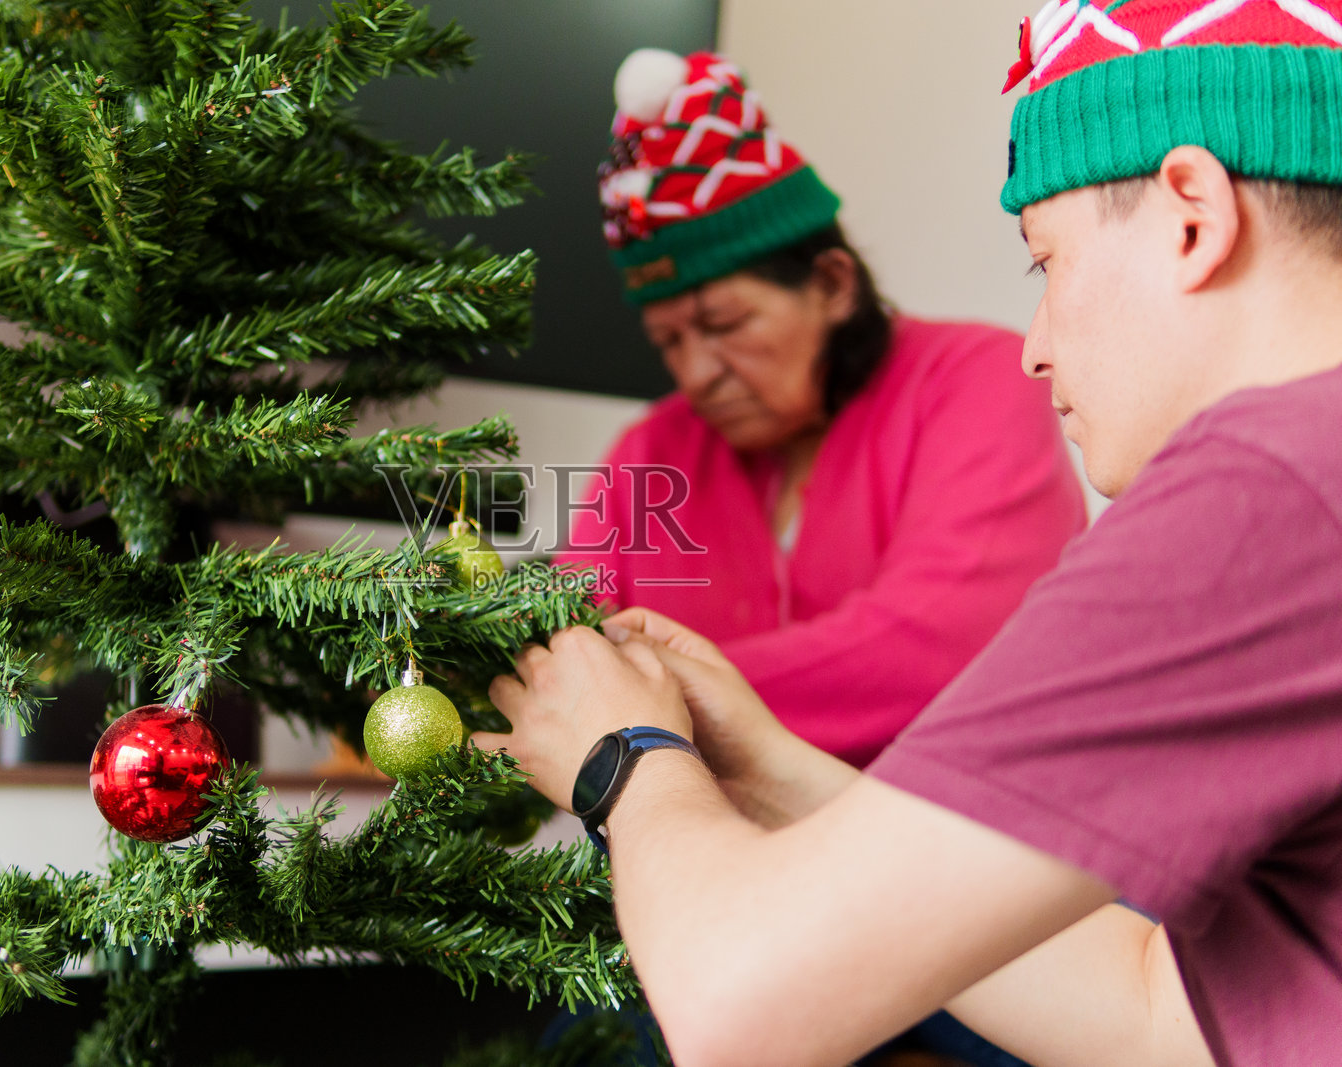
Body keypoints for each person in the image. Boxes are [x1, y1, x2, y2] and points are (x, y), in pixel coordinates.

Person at [480, 2, 1342, 1064]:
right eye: (670, 339)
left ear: (1189, 215)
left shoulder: (1264, 488)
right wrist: (767, 760)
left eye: (1044, 262)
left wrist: (629, 753)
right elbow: (1151, 1010)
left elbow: (740, 1003)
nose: (1035, 348)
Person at [557, 49, 1086, 769]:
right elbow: (560, 642)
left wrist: (639, 705)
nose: (697, 372)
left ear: (833, 284)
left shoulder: (975, 380)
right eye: (669, 341)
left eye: (725, 325)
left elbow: (939, 644)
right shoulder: (647, 452)